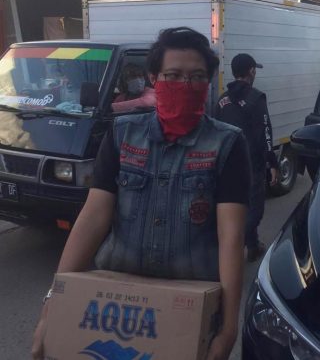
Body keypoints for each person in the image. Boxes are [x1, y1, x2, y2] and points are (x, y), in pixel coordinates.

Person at [32, 27, 251, 360]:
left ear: (208, 81)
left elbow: (231, 238)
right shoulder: (122, 135)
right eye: (173, 76)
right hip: (112, 302)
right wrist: (52, 305)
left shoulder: (228, 144)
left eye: (196, 77)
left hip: (187, 309)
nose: (185, 85)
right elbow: (92, 219)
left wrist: (228, 328)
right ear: (154, 78)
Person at [215, 53, 279, 262]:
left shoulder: (222, 100)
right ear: (251, 71)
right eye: (254, 70)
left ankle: (252, 245)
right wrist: (272, 162)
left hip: (226, 164)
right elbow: (265, 132)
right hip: (252, 164)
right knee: (255, 210)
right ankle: (234, 246)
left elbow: (215, 131)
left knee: (235, 204)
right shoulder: (256, 98)